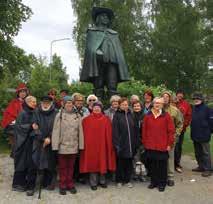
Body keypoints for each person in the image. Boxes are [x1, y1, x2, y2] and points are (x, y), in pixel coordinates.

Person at [80, 7, 129, 99]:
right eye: (103, 16)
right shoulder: (92, 32)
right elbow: (90, 47)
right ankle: (98, 106)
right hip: (98, 62)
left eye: (107, 17)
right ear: (98, 18)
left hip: (112, 62)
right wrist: (96, 51)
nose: (106, 18)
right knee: (98, 85)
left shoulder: (114, 33)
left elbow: (119, 51)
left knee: (112, 85)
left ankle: (114, 107)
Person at [80, 101, 116, 190]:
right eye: (95, 107)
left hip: (102, 145)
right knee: (93, 163)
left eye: (98, 107)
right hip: (91, 146)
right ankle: (93, 182)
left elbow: (109, 134)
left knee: (103, 161)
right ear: (92, 108)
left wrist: (109, 145)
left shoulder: (106, 119)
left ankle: (102, 181)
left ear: (101, 109)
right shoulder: (86, 120)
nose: (97, 108)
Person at [52, 96, 84, 195]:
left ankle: (70, 184)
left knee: (71, 167)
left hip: (73, 145)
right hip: (62, 146)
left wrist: (81, 145)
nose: (69, 105)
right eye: (67, 103)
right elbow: (56, 131)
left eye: (71, 103)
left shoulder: (77, 115)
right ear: (64, 104)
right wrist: (55, 146)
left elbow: (80, 131)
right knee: (62, 167)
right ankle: (62, 185)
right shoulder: (60, 115)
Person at [142, 97, 175, 192]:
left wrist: (169, 144)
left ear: (162, 105)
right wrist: (145, 143)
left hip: (162, 146)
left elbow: (171, 131)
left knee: (162, 166)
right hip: (150, 145)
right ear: (153, 103)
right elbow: (144, 131)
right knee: (152, 165)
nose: (157, 104)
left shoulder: (166, 116)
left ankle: (162, 183)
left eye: (159, 103)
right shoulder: (147, 116)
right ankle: (153, 182)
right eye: (155, 103)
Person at [12, 96, 37, 196]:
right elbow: (19, 127)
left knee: (31, 163)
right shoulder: (23, 113)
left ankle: (29, 184)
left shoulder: (33, 112)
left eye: (35, 101)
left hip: (31, 142)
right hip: (23, 143)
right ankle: (18, 184)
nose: (35, 103)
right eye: (33, 102)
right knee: (22, 163)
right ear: (27, 102)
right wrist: (30, 126)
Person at [32, 96, 58, 190]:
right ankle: (38, 184)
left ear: (51, 103)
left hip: (51, 141)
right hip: (39, 141)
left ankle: (49, 183)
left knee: (50, 163)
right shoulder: (36, 111)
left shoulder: (56, 112)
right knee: (38, 162)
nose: (46, 104)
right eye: (44, 102)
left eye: (48, 102)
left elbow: (56, 127)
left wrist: (49, 138)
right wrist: (42, 139)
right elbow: (35, 126)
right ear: (41, 102)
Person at [112, 97, 137, 188]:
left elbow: (134, 129)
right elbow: (115, 131)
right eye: (123, 104)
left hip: (131, 143)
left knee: (129, 163)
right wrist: (117, 144)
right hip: (121, 144)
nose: (125, 106)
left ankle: (127, 180)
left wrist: (135, 143)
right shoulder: (117, 115)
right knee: (120, 163)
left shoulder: (131, 114)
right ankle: (119, 180)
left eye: (126, 104)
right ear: (119, 105)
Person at [1, 83, 29, 158]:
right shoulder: (14, 102)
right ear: (18, 93)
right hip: (15, 127)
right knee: (16, 144)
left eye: (24, 92)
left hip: (26, 126)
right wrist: (15, 121)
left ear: (26, 93)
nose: (23, 93)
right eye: (21, 92)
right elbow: (8, 114)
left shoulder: (28, 102)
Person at [162, 91, 183, 186]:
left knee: (170, 157)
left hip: (170, 138)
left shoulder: (175, 110)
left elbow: (180, 124)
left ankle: (170, 177)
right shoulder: (157, 108)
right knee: (160, 157)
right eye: (163, 96)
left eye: (167, 96)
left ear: (170, 98)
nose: (165, 98)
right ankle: (161, 175)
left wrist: (176, 134)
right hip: (159, 138)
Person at [191, 93, 212, 177]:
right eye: (194, 98)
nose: (196, 99)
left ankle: (208, 169)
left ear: (202, 99)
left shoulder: (207, 109)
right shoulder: (194, 108)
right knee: (198, 153)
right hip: (195, 134)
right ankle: (201, 166)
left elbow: (211, 122)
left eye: (198, 98)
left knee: (205, 153)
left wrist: (208, 132)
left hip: (204, 135)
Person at [175, 90, 192, 173]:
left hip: (180, 129)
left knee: (178, 147)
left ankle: (177, 164)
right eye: (178, 95)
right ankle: (170, 163)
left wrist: (183, 126)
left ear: (183, 96)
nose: (180, 96)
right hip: (170, 129)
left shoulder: (186, 104)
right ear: (176, 95)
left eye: (181, 95)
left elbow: (188, 116)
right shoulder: (173, 103)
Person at [132, 101, 146, 181]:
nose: (136, 107)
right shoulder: (131, 116)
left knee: (142, 158)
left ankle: (142, 175)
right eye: (135, 106)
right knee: (135, 158)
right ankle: (135, 174)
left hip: (143, 140)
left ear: (141, 107)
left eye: (138, 106)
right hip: (134, 140)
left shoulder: (144, 117)